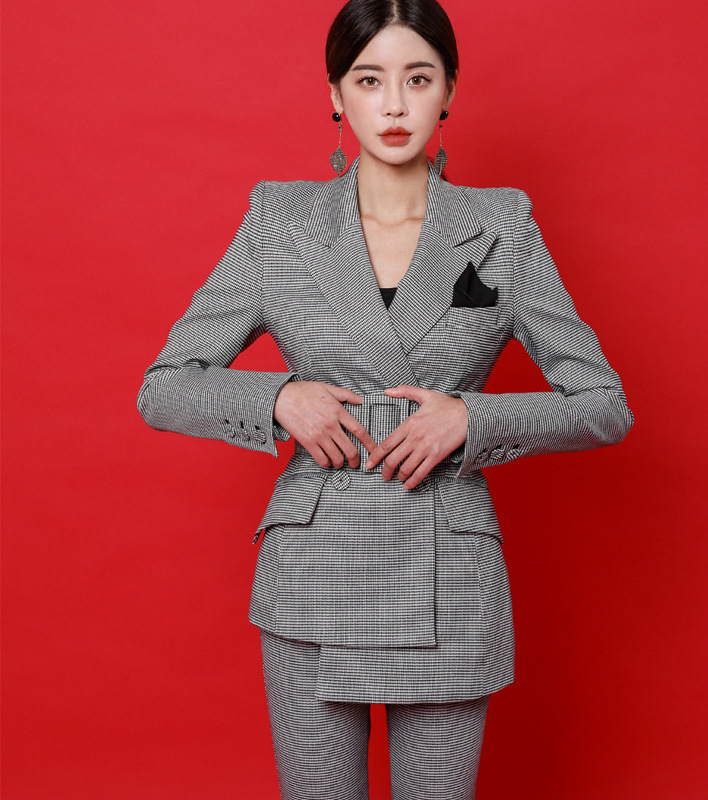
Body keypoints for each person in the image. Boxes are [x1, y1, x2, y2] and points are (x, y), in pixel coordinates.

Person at [137, 0, 634, 797]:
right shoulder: (278, 222)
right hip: (313, 570)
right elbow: (164, 387)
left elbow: (603, 404)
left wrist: (472, 417)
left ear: (450, 91)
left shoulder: (502, 226)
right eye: (369, 80)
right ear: (336, 95)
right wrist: (280, 398)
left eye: (418, 79)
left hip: (448, 567)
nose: (395, 105)